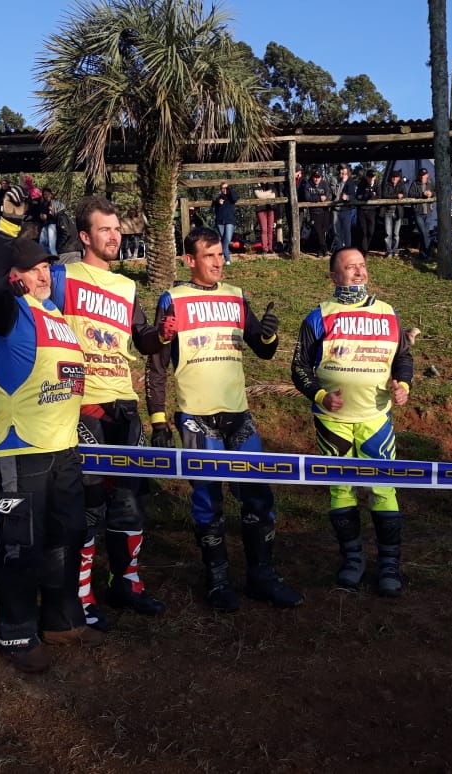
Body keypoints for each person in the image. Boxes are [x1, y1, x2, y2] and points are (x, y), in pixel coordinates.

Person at [146, 226, 303, 610]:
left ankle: (262, 577)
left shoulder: (235, 295)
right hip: (196, 417)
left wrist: (269, 335)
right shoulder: (173, 299)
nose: (219, 262)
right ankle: (217, 581)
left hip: (238, 415)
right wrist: (158, 420)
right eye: (210, 255)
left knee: (258, 495)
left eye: (220, 254)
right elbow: (157, 363)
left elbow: (262, 350)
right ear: (190, 260)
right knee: (208, 499)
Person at [50, 196, 175, 632]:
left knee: (129, 502)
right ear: (85, 236)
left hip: (125, 402)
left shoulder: (126, 286)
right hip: (82, 404)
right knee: (88, 506)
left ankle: (127, 584)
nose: (115, 236)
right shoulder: (63, 276)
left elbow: (141, 338)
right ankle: (80, 595)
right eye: (105, 229)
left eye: (118, 229)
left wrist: (161, 335)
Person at [0, 232, 91, 674]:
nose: (43, 275)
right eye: (32, 269)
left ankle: (61, 620)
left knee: (68, 536)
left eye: (46, 267)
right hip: (22, 449)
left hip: (64, 446)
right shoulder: (4, 314)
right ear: (13, 277)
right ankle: (17, 633)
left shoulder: (52, 312)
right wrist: (7, 229)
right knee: (23, 545)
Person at [290, 246, 414, 596]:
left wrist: (403, 386)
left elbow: (404, 358)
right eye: (350, 268)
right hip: (333, 421)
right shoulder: (319, 316)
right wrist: (319, 395)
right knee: (341, 488)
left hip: (376, 418)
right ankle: (352, 560)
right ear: (334, 276)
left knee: (382, 488)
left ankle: (389, 565)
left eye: (362, 266)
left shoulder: (388, 313)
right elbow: (299, 367)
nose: (359, 272)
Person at [302, 169, 331, 258]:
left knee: (323, 232)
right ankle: (325, 250)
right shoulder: (308, 184)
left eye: (318, 177)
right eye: (315, 177)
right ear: (312, 177)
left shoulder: (324, 184)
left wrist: (325, 198)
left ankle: (319, 251)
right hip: (314, 212)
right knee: (318, 232)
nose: (316, 179)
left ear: (321, 177)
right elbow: (307, 198)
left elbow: (328, 195)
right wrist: (319, 198)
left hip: (325, 212)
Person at [407, 168, 434, 259]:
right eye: (421, 175)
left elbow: (436, 192)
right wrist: (422, 194)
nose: (422, 177)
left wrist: (431, 194)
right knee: (423, 232)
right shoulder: (415, 183)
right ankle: (429, 251)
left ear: (427, 175)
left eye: (424, 175)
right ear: (419, 176)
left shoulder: (431, 183)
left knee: (424, 233)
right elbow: (410, 195)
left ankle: (422, 254)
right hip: (418, 212)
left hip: (428, 212)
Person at [381, 169, 407, 257]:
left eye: (396, 177)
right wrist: (397, 196)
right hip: (388, 211)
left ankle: (395, 250)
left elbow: (405, 194)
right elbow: (384, 195)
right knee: (388, 233)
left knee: (396, 233)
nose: (394, 178)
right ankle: (389, 251)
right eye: (393, 177)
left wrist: (402, 196)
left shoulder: (401, 185)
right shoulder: (386, 184)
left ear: (399, 178)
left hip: (398, 211)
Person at [212, 181, 238, 265]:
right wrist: (218, 202)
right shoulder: (219, 198)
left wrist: (229, 190)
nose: (225, 189)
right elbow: (214, 205)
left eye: (226, 188)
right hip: (220, 222)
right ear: (221, 189)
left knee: (227, 240)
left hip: (230, 221)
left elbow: (235, 198)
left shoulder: (232, 197)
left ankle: (222, 257)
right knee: (224, 240)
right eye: (223, 188)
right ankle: (227, 260)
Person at [356, 169, 380, 254]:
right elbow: (358, 196)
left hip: (372, 211)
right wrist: (369, 195)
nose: (371, 178)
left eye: (372, 177)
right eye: (369, 177)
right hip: (362, 211)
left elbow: (379, 196)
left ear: (375, 177)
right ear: (366, 177)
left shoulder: (377, 185)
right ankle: (364, 250)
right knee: (363, 232)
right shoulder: (362, 184)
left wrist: (371, 196)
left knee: (371, 232)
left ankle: (365, 248)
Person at [332, 164, 356, 251]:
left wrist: (348, 197)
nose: (343, 172)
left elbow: (353, 196)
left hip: (346, 210)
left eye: (344, 170)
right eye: (341, 170)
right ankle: (340, 251)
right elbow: (335, 195)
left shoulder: (350, 181)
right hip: (336, 210)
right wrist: (342, 183)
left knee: (347, 232)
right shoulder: (334, 180)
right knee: (337, 232)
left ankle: (348, 250)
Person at [253, 172, 277, 253]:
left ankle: (270, 248)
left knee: (270, 229)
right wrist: (268, 193)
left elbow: (274, 195)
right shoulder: (256, 185)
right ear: (259, 177)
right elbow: (259, 196)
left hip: (270, 208)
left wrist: (263, 195)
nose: (264, 178)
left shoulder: (272, 185)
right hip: (260, 209)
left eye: (266, 176)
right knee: (264, 229)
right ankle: (265, 248)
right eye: (262, 176)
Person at [38, 189, 66, 257]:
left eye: (48, 194)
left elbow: (56, 213)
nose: (46, 196)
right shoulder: (43, 204)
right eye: (45, 194)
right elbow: (42, 214)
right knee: (42, 244)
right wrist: (42, 216)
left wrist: (49, 214)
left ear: (51, 194)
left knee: (51, 246)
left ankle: (54, 261)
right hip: (45, 225)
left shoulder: (55, 202)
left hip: (52, 224)